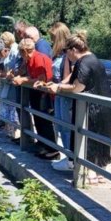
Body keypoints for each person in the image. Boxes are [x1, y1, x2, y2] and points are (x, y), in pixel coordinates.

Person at [47, 31, 111, 180]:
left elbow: (78, 87)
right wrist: (60, 84)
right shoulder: (93, 59)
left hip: (93, 108)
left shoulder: (83, 62)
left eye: (66, 52)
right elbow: (74, 78)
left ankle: (87, 173)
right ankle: (99, 172)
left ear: (73, 50)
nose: (67, 56)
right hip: (105, 105)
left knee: (88, 139)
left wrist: (57, 88)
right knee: (101, 138)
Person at [13, 38, 59, 160]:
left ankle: (52, 149)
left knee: (45, 120)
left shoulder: (38, 58)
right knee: (38, 119)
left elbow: (42, 79)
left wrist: (23, 80)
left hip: (45, 94)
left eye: (21, 53)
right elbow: (31, 75)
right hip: (37, 93)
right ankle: (43, 144)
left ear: (25, 51)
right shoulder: (29, 59)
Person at [47, 22, 73, 168]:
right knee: (60, 125)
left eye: (53, 37)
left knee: (66, 126)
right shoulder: (57, 54)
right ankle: (67, 156)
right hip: (57, 92)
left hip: (63, 93)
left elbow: (71, 74)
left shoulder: (69, 53)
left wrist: (59, 84)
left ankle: (70, 159)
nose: (51, 40)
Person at [0, 32, 21, 139]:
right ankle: (10, 131)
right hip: (9, 83)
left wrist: (10, 74)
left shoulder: (15, 48)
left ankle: (16, 132)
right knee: (8, 106)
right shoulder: (11, 49)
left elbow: (17, 66)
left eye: (2, 40)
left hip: (13, 83)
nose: (2, 43)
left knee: (13, 108)